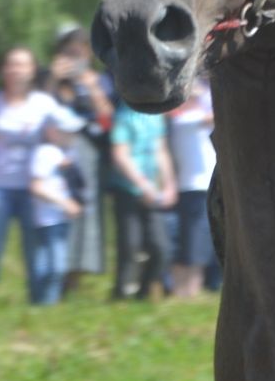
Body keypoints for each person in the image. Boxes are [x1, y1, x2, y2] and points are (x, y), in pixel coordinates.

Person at [0, 47, 75, 307]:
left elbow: (72, 126)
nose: (16, 70)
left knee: (35, 250)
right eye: (11, 64)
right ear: (3, 70)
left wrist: (62, 150)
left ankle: (39, 304)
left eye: (23, 65)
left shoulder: (43, 103)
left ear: (32, 71)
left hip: (32, 188)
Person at [47, 21, 111, 293]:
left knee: (87, 215)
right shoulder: (50, 81)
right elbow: (39, 109)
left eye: (80, 52)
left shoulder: (101, 81)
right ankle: (54, 274)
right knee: (57, 214)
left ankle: (75, 276)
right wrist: (51, 79)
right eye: (69, 52)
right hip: (58, 154)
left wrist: (93, 89)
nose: (75, 58)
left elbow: (108, 120)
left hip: (89, 155)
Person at [107, 99, 174, 301]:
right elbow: (120, 155)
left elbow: (160, 151)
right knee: (130, 245)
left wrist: (169, 184)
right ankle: (121, 294)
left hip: (152, 190)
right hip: (127, 189)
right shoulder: (123, 116)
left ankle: (143, 292)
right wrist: (143, 186)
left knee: (161, 248)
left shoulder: (157, 116)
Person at [165, 79, 217, 298]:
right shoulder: (185, 120)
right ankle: (188, 291)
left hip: (194, 185)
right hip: (194, 186)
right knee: (194, 242)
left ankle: (187, 290)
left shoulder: (184, 120)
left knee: (194, 240)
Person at [27, 111, 84, 305]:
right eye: (67, 132)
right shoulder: (45, 153)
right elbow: (36, 187)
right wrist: (65, 203)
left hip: (59, 218)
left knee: (47, 264)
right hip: (48, 219)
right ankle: (48, 304)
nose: (72, 136)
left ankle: (42, 304)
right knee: (55, 267)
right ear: (52, 132)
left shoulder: (64, 152)